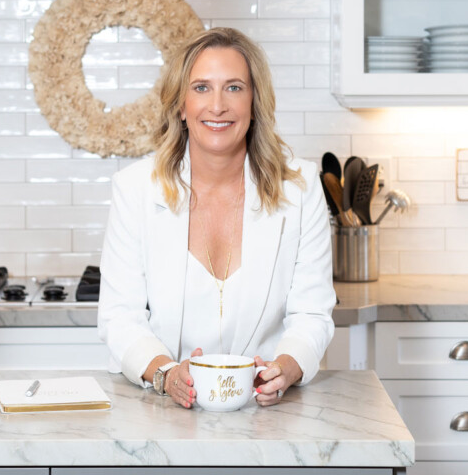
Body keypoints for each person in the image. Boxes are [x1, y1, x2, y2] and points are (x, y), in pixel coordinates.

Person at [98, 27, 335, 409]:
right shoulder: (135, 189)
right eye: (202, 88)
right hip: (163, 414)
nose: (218, 106)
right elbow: (118, 317)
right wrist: (166, 374)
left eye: (235, 87)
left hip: (268, 417)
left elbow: (312, 312)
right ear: (180, 104)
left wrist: (286, 369)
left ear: (255, 101)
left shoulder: (301, 187)